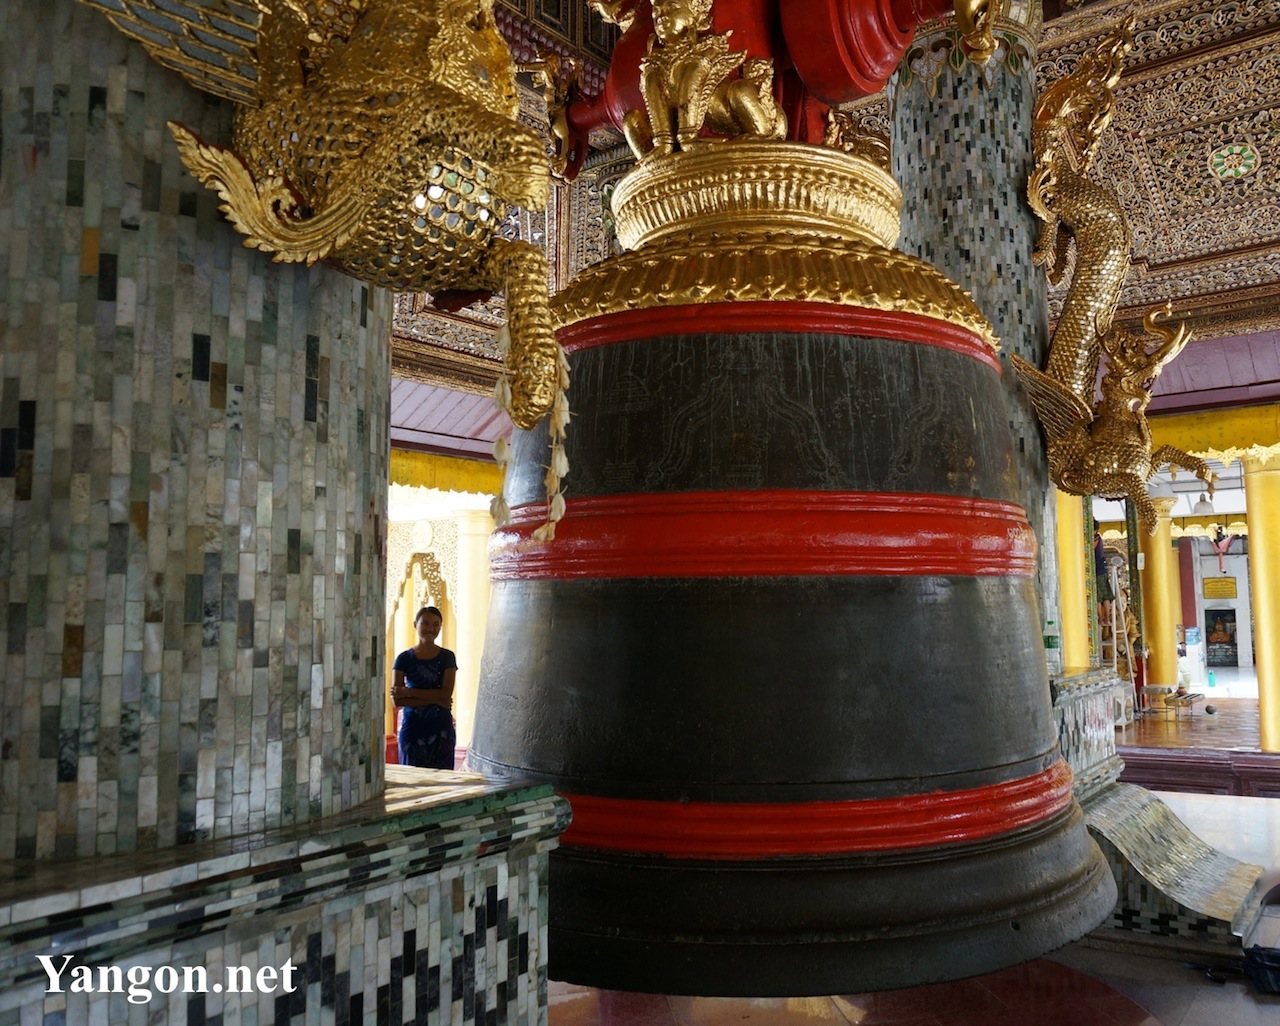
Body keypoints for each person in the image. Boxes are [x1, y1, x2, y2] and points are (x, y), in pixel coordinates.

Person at [392, 606, 457, 770]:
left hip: (441, 729)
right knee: (412, 779)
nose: (430, 629)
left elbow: (446, 694)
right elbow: (397, 701)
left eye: (436, 625)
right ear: (415, 625)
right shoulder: (404, 659)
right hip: (413, 729)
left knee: (442, 780)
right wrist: (437, 699)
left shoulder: (447, 657)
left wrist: (409, 692)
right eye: (425, 623)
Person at [1094, 530, 1114, 635]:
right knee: (1104, 596)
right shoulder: (1098, 539)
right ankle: (1105, 619)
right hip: (1101, 570)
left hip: (1098, 571)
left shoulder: (1096, 540)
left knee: (1100, 597)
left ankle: (1103, 618)